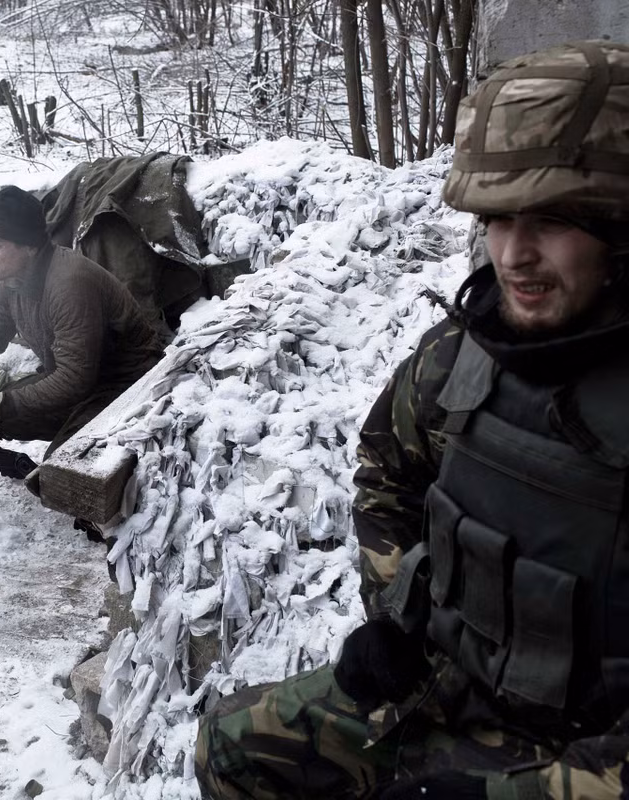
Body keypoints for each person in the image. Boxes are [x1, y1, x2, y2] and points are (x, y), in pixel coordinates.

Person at [194, 40, 629, 799]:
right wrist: (398, 616)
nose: (514, 256)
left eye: (553, 220)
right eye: (497, 219)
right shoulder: (462, 358)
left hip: (588, 756)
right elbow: (386, 474)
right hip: (451, 688)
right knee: (234, 750)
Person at [0, 185, 163, 456]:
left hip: (127, 385)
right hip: (84, 381)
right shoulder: (11, 282)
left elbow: (74, 378)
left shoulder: (69, 282)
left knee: (63, 470)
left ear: (29, 246)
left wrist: (1, 401)